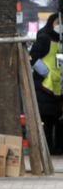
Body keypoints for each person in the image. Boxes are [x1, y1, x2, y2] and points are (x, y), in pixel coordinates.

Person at [30, 12, 63, 155]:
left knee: (55, 118)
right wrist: (47, 73)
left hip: (57, 86)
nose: (60, 26)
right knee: (45, 118)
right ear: (51, 23)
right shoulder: (43, 38)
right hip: (43, 86)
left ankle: (53, 147)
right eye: (58, 23)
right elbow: (33, 58)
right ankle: (45, 149)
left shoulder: (60, 40)